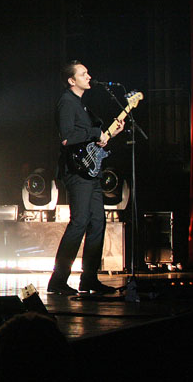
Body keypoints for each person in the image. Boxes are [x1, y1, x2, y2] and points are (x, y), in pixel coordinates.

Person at [47, 60, 124, 294]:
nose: (89, 76)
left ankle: (89, 278)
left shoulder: (81, 105)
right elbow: (67, 137)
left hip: (91, 171)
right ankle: (58, 280)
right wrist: (94, 132)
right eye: (83, 74)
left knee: (98, 222)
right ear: (72, 81)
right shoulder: (67, 103)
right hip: (77, 173)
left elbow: (90, 139)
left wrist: (109, 133)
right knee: (79, 222)